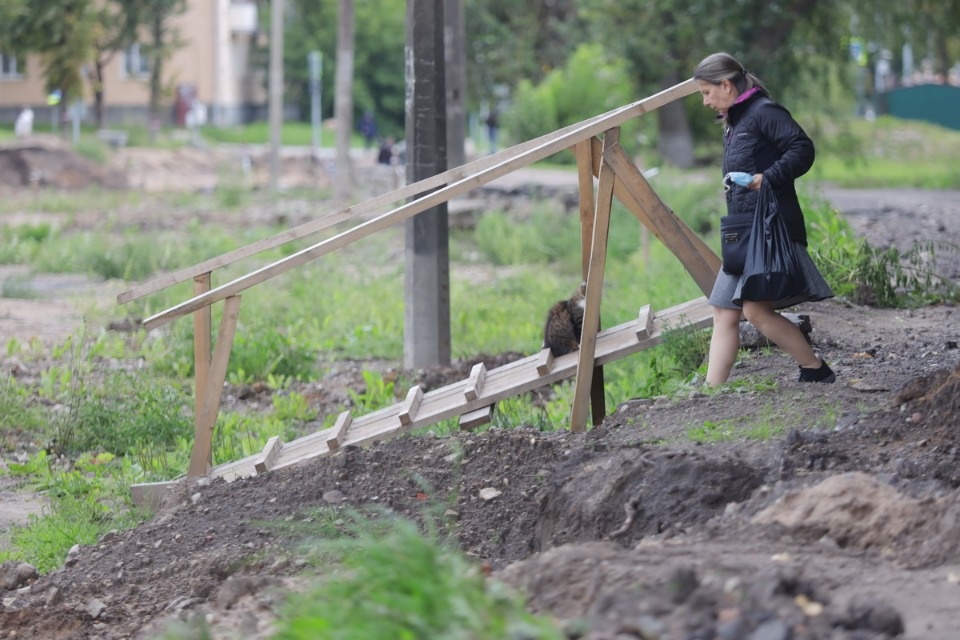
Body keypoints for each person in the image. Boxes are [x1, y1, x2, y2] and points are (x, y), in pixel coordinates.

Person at [693, 52, 835, 386]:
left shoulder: (762, 112)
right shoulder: (736, 120)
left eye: (706, 92)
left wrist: (766, 178)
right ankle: (711, 391)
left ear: (726, 85)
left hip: (769, 228)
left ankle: (815, 369)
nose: (704, 101)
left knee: (755, 312)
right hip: (743, 231)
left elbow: (802, 149)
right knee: (724, 311)